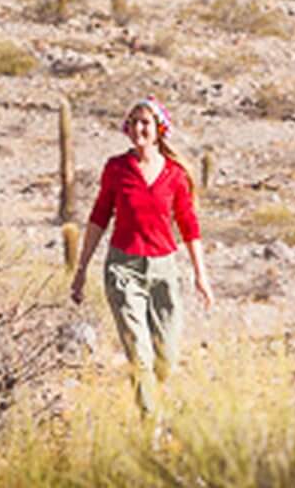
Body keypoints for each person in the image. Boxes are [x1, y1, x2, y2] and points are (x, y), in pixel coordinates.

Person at [70, 97, 213, 418]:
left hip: (164, 270)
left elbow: (189, 227)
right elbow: (99, 217)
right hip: (124, 268)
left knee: (166, 358)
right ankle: (150, 426)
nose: (138, 128)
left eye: (145, 122)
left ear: (159, 129)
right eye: (133, 122)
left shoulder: (175, 175)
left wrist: (200, 276)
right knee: (140, 354)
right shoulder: (117, 168)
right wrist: (81, 270)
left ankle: (149, 395)